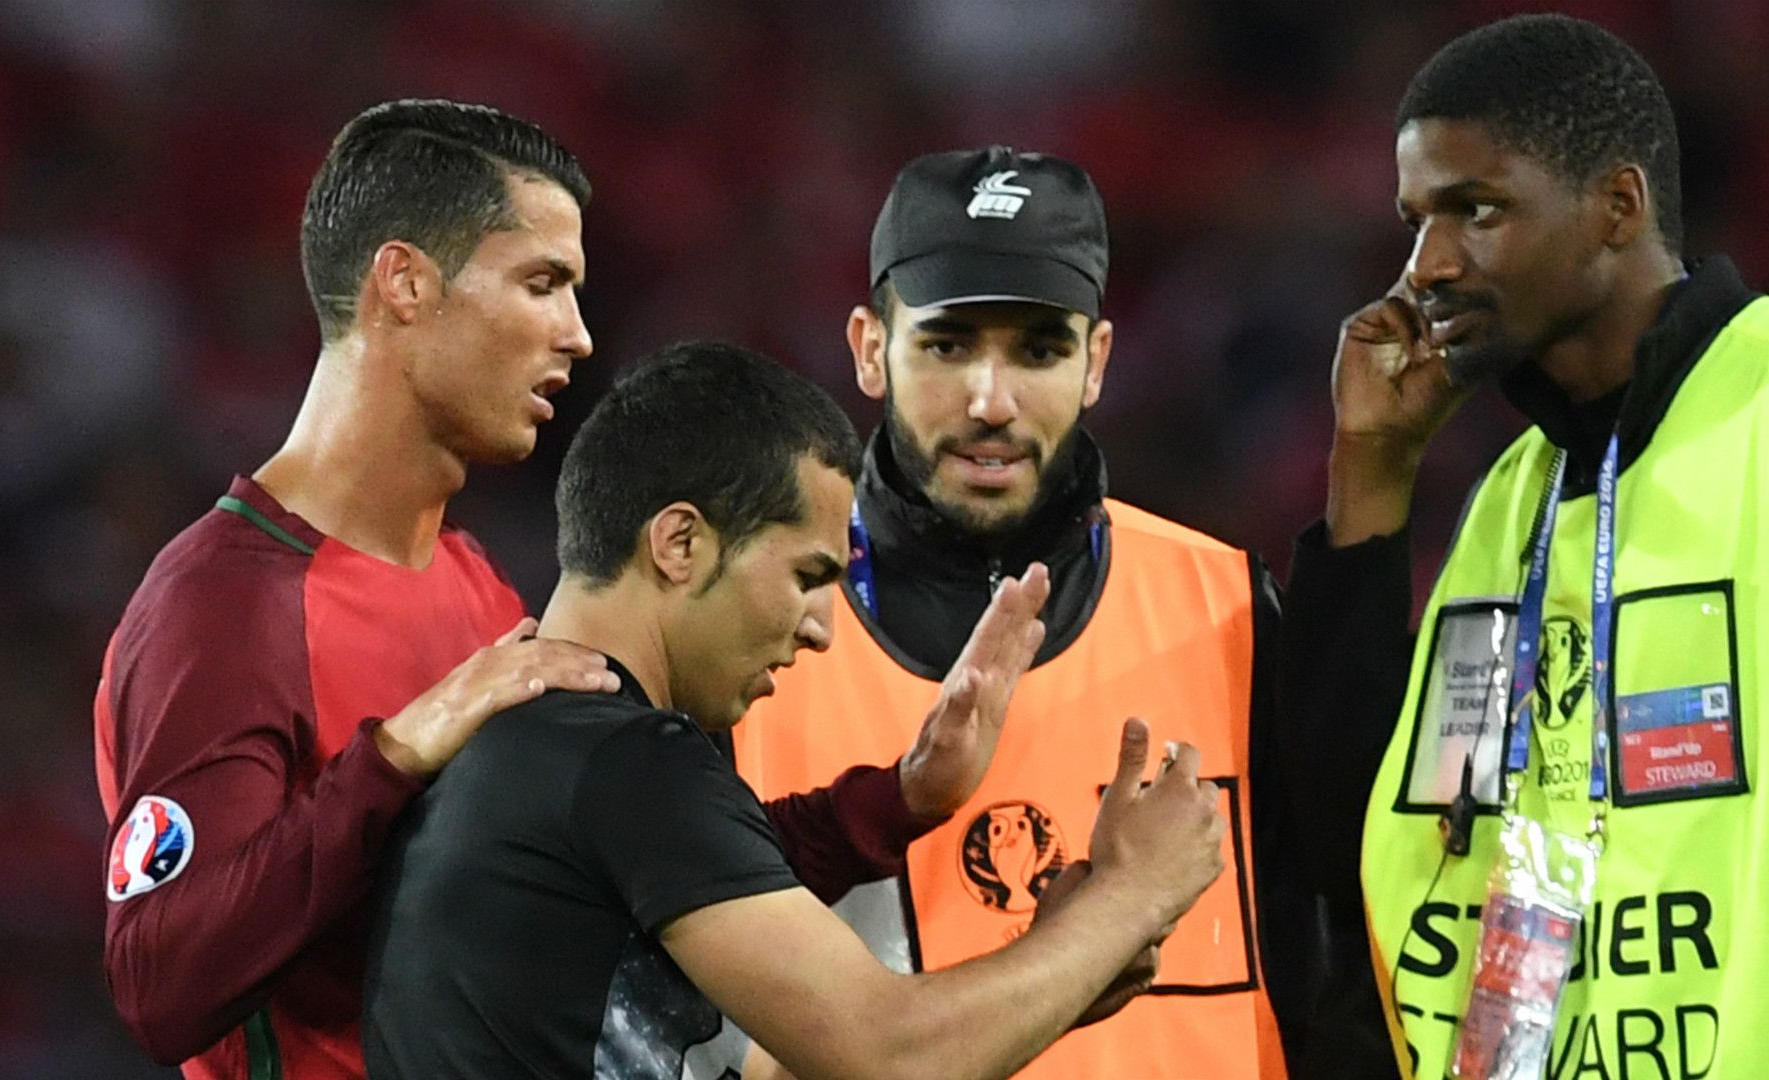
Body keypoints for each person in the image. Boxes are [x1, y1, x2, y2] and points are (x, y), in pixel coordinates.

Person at [96, 100, 1003, 1080]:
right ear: (404, 283)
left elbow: (645, 861)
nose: (576, 336)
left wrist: (892, 802)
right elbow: (161, 980)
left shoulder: (474, 584)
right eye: (542, 284)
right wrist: (399, 751)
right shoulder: (229, 608)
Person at [361, 340, 1228, 1080]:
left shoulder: (534, 750)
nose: (821, 629)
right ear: (680, 543)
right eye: (808, 576)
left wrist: (1051, 980)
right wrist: (1132, 895)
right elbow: (885, 1054)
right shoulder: (627, 761)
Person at [1283, 13, 1769, 1077]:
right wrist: (1370, 478)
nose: (1425, 266)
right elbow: (1351, 848)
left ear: (1617, 207)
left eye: (1474, 211)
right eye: (1415, 223)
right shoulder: (1510, 501)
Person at [730, 146, 1344, 1078]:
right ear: (868, 349)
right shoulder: (752, 633)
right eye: (947, 344)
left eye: (1040, 349)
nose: (991, 400)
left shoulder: (1229, 609)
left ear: (1096, 361)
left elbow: (1337, 981)